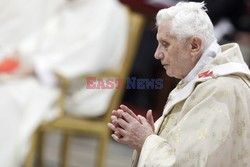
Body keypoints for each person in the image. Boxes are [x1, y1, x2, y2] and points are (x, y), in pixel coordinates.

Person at [108, 1, 250, 166]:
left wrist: (145, 141)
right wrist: (156, 134)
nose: (157, 54)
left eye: (165, 44)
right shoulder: (202, 79)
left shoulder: (218, 89)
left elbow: (187, 163)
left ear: (194, 45)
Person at [0, 0, 128, 166]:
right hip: (50, 79)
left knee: (9, 96)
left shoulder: (108, 9)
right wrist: (19, 56)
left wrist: (36, 68)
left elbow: (89, 57)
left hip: (80, 88)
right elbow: (43, 37)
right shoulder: (71, 4)